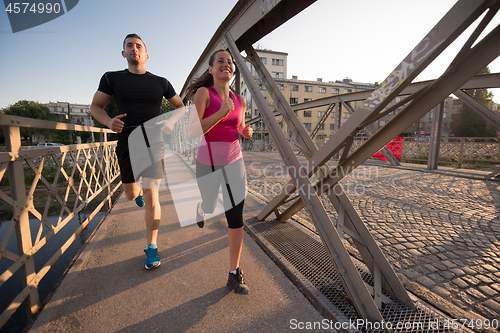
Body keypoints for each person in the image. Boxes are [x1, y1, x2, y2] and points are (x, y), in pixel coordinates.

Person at [90, 33, 185, 270]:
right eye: (129, 46)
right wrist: (108, 122)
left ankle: (151, 247)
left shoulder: (161, 82)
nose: (134, 49)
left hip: (154, 143)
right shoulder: (111, 78)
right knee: (131, 194)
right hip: (127, 142)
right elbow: (95, 107)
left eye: (138, 46)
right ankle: (136, 195)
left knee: (153, 196)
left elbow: (181, 107)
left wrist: (171, 122)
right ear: (124, 53)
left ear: (146, 54)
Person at [186, 49, 253, 294]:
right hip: (208, 162)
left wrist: (244, 131)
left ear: (233, 70)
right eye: (220, 61)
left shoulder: (240, 101)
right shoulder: (205, 94)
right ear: (212, 69)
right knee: (211, 204)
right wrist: (220, 113)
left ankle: (234, 273)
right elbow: (193, 131)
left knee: (235, 217)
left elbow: (238, 126)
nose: (226, 64)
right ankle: (202, 209)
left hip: (234, 161)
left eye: (230, 61)